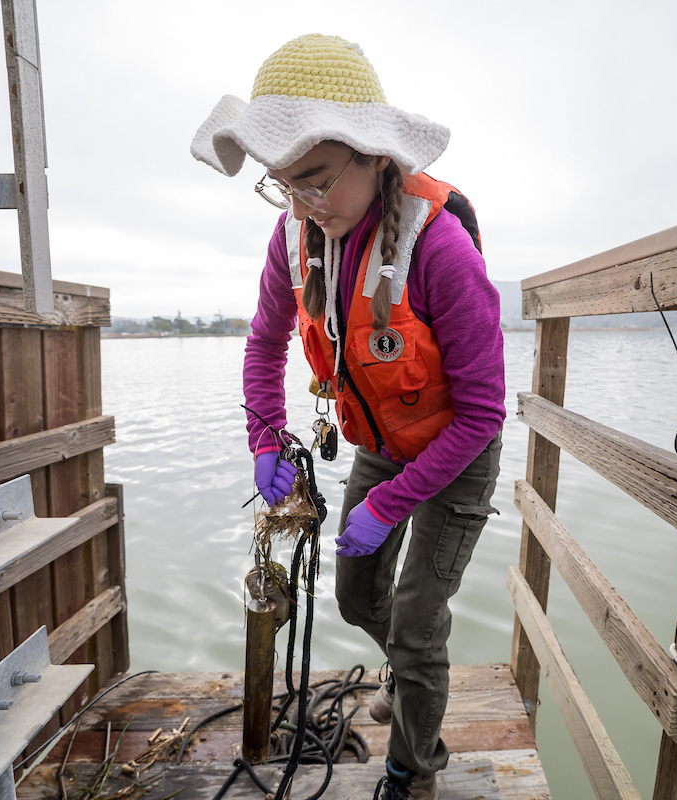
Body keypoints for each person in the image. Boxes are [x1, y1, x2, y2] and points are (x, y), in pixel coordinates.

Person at [192, 33, 506, 800]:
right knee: (358, 598)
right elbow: (264, 343)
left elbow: (484, 412)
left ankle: (412, 771)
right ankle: (406, 673)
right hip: (378, 445)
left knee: (417, 619)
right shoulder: (294, 238)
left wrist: (393, 501)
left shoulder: (441, 250)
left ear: (375, 157)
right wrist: (264, 437)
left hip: (457, 454)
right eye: (283, 186)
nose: (303, 204)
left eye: (318, 181)